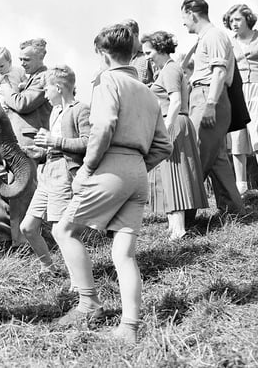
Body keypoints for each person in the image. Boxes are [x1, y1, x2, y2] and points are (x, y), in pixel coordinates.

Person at [52, 24, 172, 343]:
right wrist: (136, 167)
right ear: (132, 52)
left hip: (111, 166)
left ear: (104, 54)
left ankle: (88, 302)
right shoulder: (147, 90)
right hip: (138, 173)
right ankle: (129, 328)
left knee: (63, 230)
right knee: (124, 254)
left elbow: (103, 128)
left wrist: (88, 168)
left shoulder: (108, 80)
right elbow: (165, 146)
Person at [20, 65, 90, 275]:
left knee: (61, 231)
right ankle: (48, 268)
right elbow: (53, 147)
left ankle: (77, 280)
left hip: (63, 173)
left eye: (47, 89)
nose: (45, 95)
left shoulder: (80, 109)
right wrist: (39, 153)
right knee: (28, 227)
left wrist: (55, 141)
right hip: (48, 171)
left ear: (58, 88)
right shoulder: (56, 112)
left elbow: (87, 142)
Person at [180, 0, 245, 216]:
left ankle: (185, 218)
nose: (183, 23)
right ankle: (234, 211)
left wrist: (210, 104)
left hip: (209, 95)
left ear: (191, 13)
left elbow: (218, 72)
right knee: (216, 158)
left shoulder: (214, 35)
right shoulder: (206, 38)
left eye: (184, 17)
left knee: (195, 156)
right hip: (204, 95)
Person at [141, 31, 209, 240]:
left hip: (174, 122)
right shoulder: (165, 70)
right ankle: (174, 227)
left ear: (161, 48)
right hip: (171, 123)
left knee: (175, 175)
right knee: (168, 176)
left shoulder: (170, 69)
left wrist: (167, 129)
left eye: (149, 52)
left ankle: (179, 229)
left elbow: (176, 101)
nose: (146, 57)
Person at [0, 38, 52, 246]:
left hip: (29, 142)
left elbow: (23, 103)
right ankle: (19, 238)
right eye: (20, 59)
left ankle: (24, 243)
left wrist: (6, 90)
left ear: (41, 56)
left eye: (27, 59)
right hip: (20, 142)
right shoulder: (30, 78)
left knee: (24, 193)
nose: (23, 63)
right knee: (19, 192)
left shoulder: (44, 78)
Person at [223, 4, 258, 195]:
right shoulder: (229, 42)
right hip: (238, 91)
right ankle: (241, 185)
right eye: (231, 20)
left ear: (248, 19)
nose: (234, 24)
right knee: (237, 138)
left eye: (237, 19)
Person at [121, 19, 155, 85]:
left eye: (127, 36)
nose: (124, 40)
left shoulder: (149, 54)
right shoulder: (121, 58)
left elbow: (162, 84)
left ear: (136, 35)